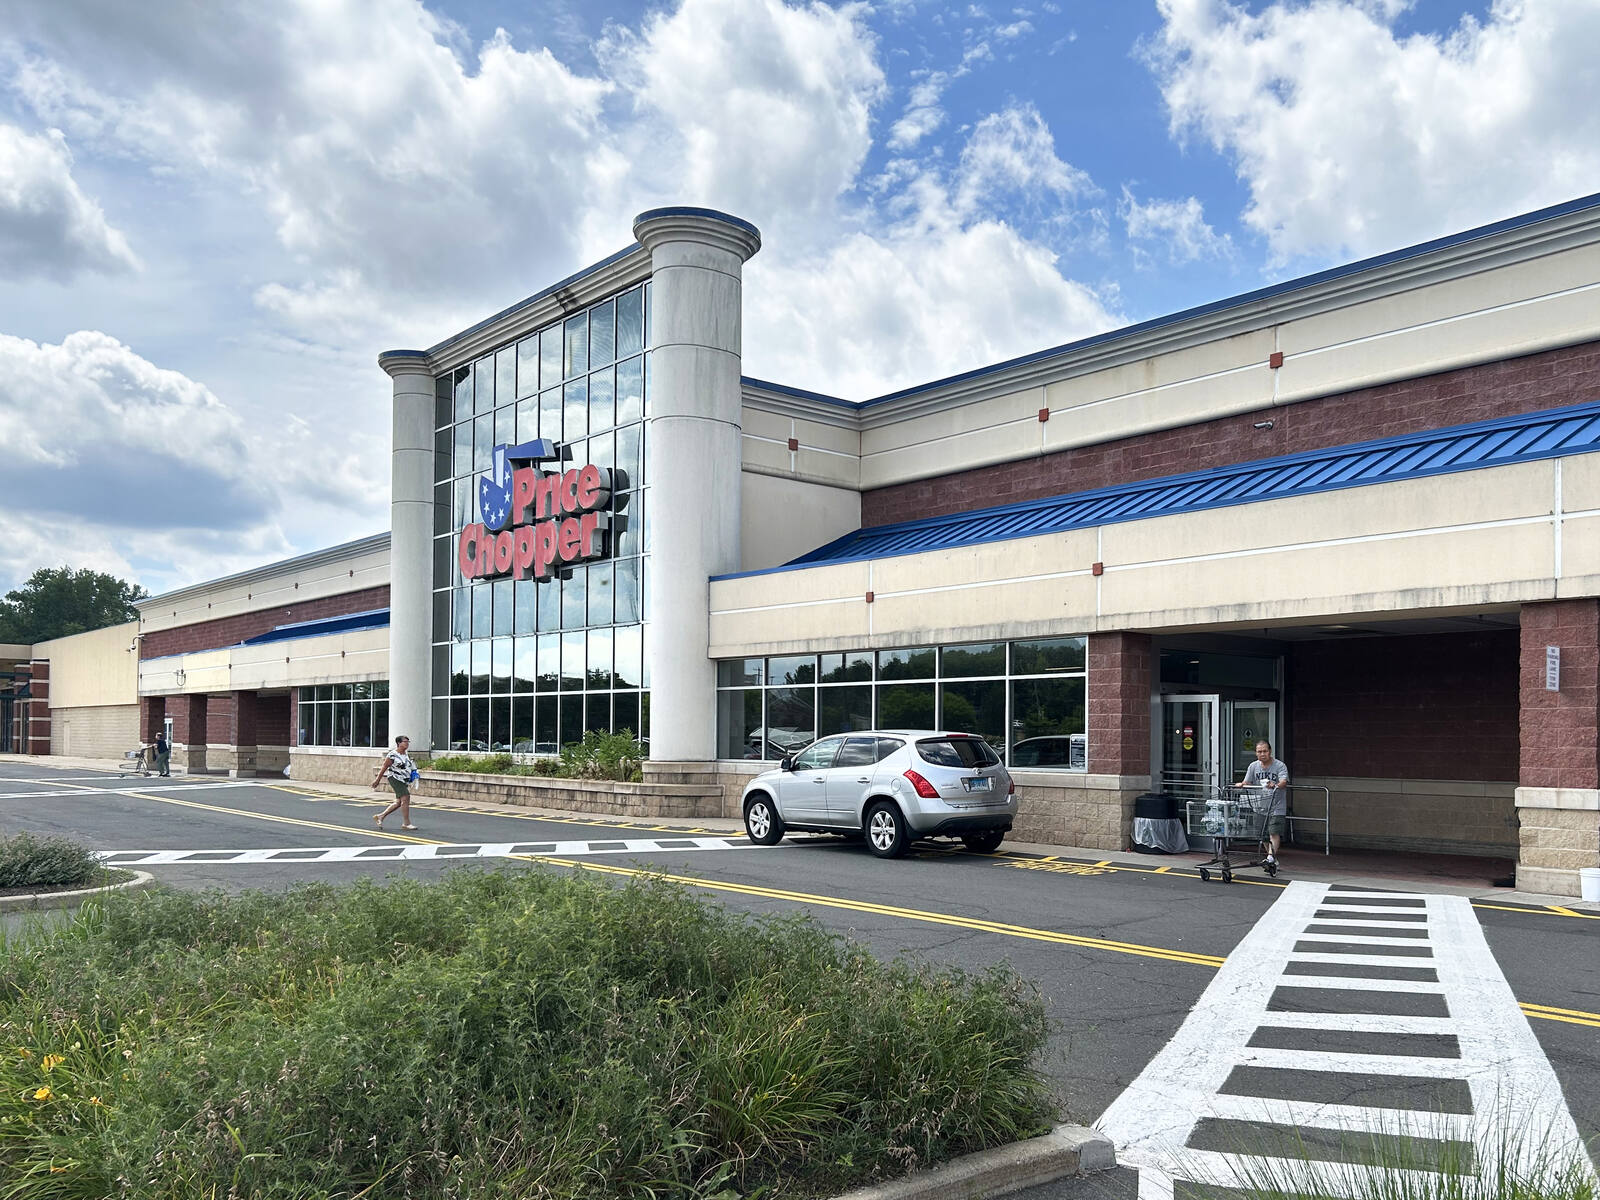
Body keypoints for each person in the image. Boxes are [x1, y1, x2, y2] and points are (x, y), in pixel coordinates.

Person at [1238, 739, 1289, 866]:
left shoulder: (1280, 765)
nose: (1262, 754)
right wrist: (1241, 784)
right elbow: (1247, 781)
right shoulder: (1253, 766)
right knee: (1263, 835)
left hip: (1277, 805)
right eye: (1259, 752)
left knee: (1274, 831)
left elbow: (1283, 781)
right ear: (1256, 753)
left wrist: (1275, 785)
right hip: (1260, 805)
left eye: (1265, 751)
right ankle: (1271, 858)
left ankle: (1270, 857)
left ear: (1270, 751)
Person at [371, 734, 419, 830]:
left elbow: (409, 766)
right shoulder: (392, 755)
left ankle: (380, 816)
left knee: (399, 802)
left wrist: (414, 774)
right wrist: (377, 780)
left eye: (408, 742)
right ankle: (406, 823)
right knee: (406, 797)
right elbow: (384, 767)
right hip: (395, 778)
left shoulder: (406, 754)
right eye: (405, 742)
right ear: (398, 743)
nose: (407, 744)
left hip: (404, 779)